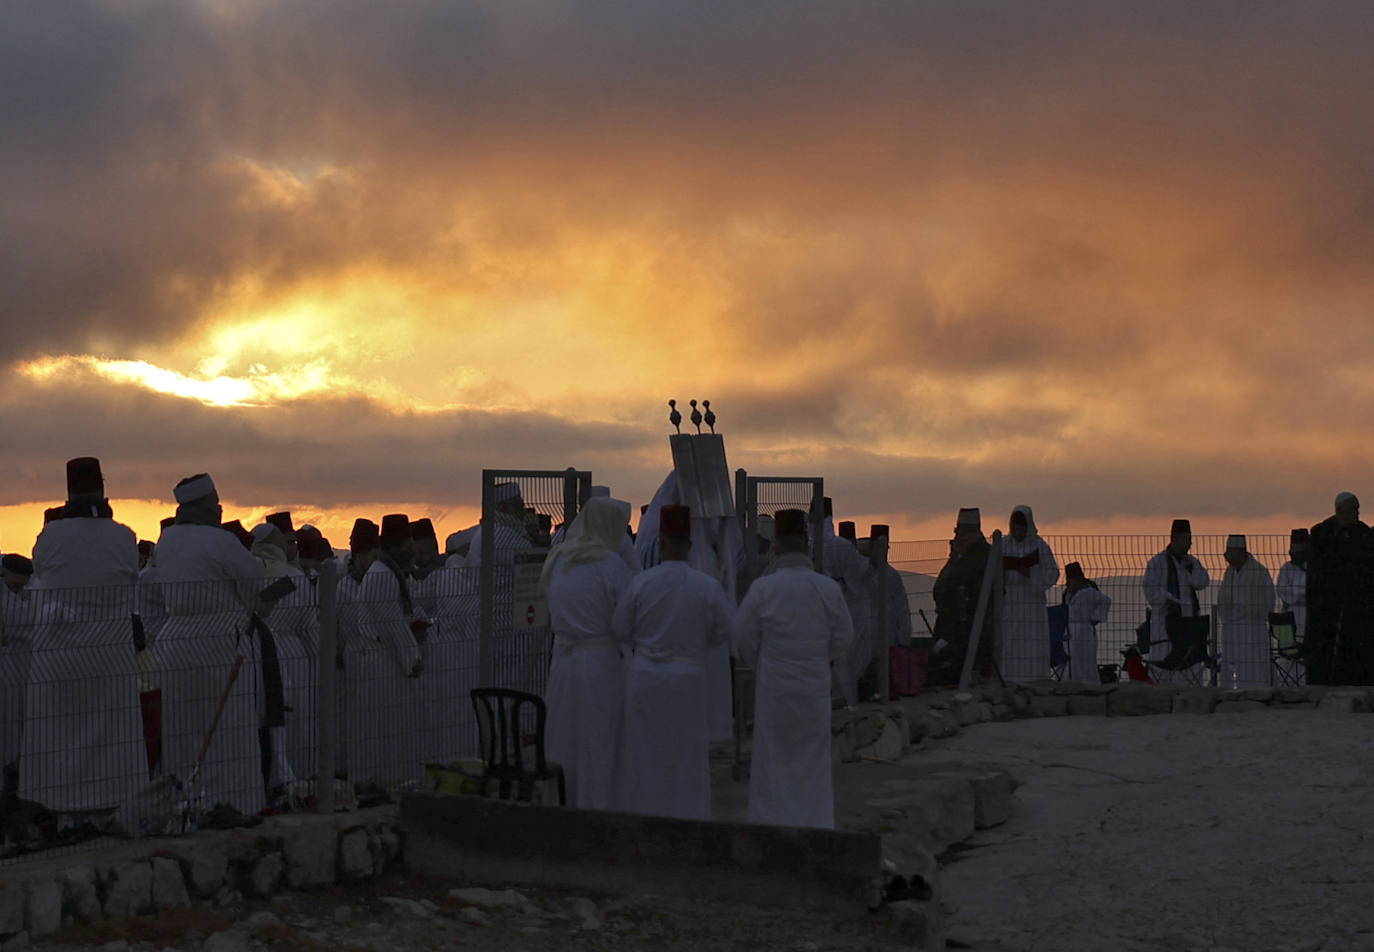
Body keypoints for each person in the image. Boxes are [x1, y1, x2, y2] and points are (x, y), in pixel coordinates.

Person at [21, 457, 143, 825]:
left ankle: (62, 816)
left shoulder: (50, 537)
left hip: (60, 652)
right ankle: (107, 810)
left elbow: (42, 573)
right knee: (111, 736)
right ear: (103, 488)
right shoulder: (124, 536)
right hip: (109, 651)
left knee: (59, 735)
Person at [150, 473, 267, 816]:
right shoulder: (222, 541)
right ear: (205, 505)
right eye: (215, 502)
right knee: (228, 730)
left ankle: (186, 804)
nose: (219, 508)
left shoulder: (166, 541)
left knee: (182, 728)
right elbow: (253, 585)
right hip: (219, 644)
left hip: (174, 645)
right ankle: (231, 806)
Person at [732, 508, 852, 828]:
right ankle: (814, 824)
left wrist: (765, 662)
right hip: (813, 683)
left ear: (775, 548)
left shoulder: (763, 589)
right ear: (807, 547)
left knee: (774, 756)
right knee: (812, 757)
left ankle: (773, 825)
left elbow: (743, 638)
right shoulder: (827, 589)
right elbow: (843, 638)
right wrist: (815, 657)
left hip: (774, 684)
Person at [613, 505, 733, 820]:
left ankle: (645, 816)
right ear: (690, 544)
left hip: (647, 677)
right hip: (689, 678)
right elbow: (723, 632)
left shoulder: (641, 583)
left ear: (662, 543)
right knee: (686, 754)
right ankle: (687, 818)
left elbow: (621, 628)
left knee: (646, 753)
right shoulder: (706, 585)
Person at [540, 496, 635, 809]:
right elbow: (625, 621)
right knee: (598, 741)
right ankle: (597, 807)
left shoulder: (559, 560)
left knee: (564, 739)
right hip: (600, 666)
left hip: (563, 666)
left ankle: (563, 806)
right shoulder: (610, 565)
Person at [349, 514, 427, 788]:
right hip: (383, 660)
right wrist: (413, 659)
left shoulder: (389, 571)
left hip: (388, 660)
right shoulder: (382, 575)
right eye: (407, 543)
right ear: (398, 545)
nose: (411, 549)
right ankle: (381, 782)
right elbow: (391, 625)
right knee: (383, 726)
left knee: (392, 725)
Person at [1305, 493, 1374, 685]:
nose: (1357, 513)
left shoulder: (1363, 533)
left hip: (1356, 603)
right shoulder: (1321, 533)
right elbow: (1317, 569)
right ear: (1340, 511)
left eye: (1358, 508)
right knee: (1323, 648)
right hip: (1326, 602)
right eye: (1354, 509)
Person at [929, 508, 993, 687]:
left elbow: (961, 582)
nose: (957, 535)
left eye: (961, 531)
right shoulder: (960, 554)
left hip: (969, 620)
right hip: (952, 621)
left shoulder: (981, 555)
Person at [819, 500, 875, 705]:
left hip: (821, 607)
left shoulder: (808, 544)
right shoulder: (841, 546)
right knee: (846, 657)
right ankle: (846, 698)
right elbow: (862, 572)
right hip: (848, 605)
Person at [1142, 519, 1211, 676]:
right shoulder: (1157, 562)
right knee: (1165, 662)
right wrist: (1167, 599)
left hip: (1188, 620)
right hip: (1166, 620)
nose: (1190, 544)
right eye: (1187, 540)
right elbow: (1150, 589)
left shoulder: (1192, 562)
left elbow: (1202, 582)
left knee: (1189, 664)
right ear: (1176, 538)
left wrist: (1190, 569)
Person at [998, 505, 1059, 680]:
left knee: (1032, 644)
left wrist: (1031, 575)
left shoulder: (1039, 546)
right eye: (1015, 528)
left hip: (1032, 603)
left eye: (1021, 528)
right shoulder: (1003, 544)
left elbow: (1053, 573)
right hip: (1010, 601)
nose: (1018, 532)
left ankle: (1035, 679)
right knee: (1010, 643)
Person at [1214, 535, 1276, 688]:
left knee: (1253, 663)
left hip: (1252, 626)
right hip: (1232, 626)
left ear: (1239, 552)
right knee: (1232, 661)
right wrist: (1229, 617)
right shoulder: (1229, 573)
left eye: (1229, 551)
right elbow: (1222, 599)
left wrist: (1250, 612)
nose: (1226, 555)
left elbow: (1268, 600)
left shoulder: (1259, 572)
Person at [1062, 562, 1112, 683]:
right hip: (1070, 630)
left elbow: (1106, 600)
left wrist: (1094, 618)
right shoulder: (1069, 593)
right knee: (1072, 659)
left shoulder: (1088, 591)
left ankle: (1085, 683)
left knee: (1083, 659)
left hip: (1084, 629)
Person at [1275, 528, 1309, 684]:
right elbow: (1283, 590)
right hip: (1291, 616)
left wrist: (1296, 590)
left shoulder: (1312, 567)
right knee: (1288, 654)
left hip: (1308, 615)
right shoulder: (1286, 568)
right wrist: (1299, 591)